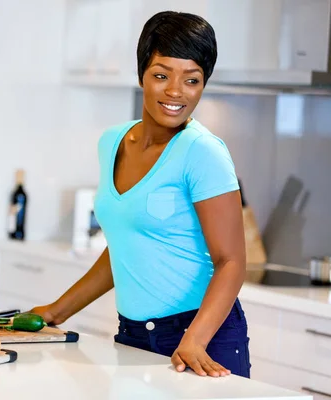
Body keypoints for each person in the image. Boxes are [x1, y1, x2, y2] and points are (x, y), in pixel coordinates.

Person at [31, 11, 250, 378]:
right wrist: (56, 311)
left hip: (201, 340)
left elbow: (231, 262)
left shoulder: (203, 153)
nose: (176, 92)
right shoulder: (112, 142)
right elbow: (125, 246)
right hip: (133, 333)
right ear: (141, 76)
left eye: (192, 80)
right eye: (161, 75)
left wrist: (194, 339)